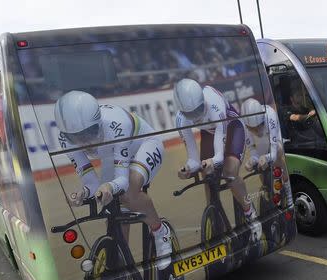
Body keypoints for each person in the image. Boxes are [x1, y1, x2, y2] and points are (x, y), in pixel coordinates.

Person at [54, 90, 172, 269]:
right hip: (113, 155)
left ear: (98, 123)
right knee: (111, 209)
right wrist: (83, 193)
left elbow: (122, 182)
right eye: (77, 137)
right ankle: (121, 261)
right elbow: (92, 184)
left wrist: (109, 186)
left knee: (129, 192)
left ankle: (160, 231)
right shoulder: (65, 139)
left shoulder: (117, 125)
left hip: (144, 144)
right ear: (67, 135)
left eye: (89, 133)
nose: (86, 142)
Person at [174, 78, 262, 240]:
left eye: (199, 109)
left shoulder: (214, 104)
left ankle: (251, 214)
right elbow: (193, 159)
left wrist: (211, 162)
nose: (197, 116)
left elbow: (219, 156)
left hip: (232, 128)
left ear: (203, 100)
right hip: (210, 133)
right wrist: (187, 169)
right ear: (181, 111)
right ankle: (215, 216)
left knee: (229, 172)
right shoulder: (180, 119)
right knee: (207, 175)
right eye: (190, 114)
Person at [241, 98, 292, 203]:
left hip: (274, 139)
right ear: (247, 126)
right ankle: (268, 191)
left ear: (262, 120)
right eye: (253, 129)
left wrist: (266, 157)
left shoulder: (270, 116)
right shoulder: (244, 125)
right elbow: (252, 149)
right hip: (262, 142)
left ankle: (288, 191)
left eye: (259, 126)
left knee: (277, 158)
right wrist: (252, 160)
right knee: (260, 165)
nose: (257, 131)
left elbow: (273, 154)